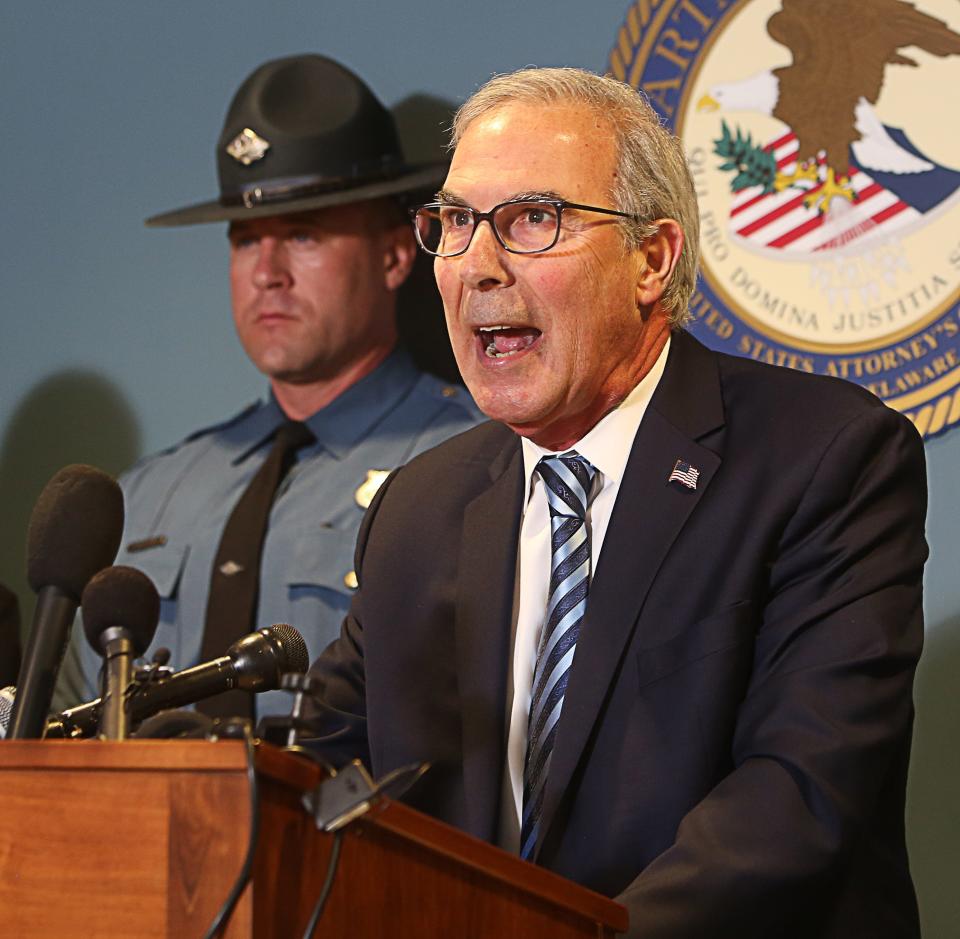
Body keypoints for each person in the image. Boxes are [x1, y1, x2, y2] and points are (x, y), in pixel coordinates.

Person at [305, 67, 928, 938]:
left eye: (532, 220)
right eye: (454, 223)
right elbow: (327, 772)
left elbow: (798, 795)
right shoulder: (421, 507)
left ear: (653, 258)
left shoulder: (823, 460)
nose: (478, 267)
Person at [57, 54, 481, 717]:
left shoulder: (478, 469)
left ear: (397, 254)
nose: (267, 272)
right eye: (245, 240)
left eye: (302, 234)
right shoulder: (150, 496)